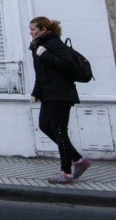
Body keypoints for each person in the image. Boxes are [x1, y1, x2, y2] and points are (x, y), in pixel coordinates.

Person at [29, 16, 91, 184]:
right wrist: (35, 92)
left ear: (43, 29)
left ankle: (66, 173)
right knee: (45, 126)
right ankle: (79, 160)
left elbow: (67, 65)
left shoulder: (55, 44)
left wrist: (45, 55)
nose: (31, 32)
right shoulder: (37, 46)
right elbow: (40, 73)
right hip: (48, 94)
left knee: (60, 131)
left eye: (33, 29)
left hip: (61, 94)